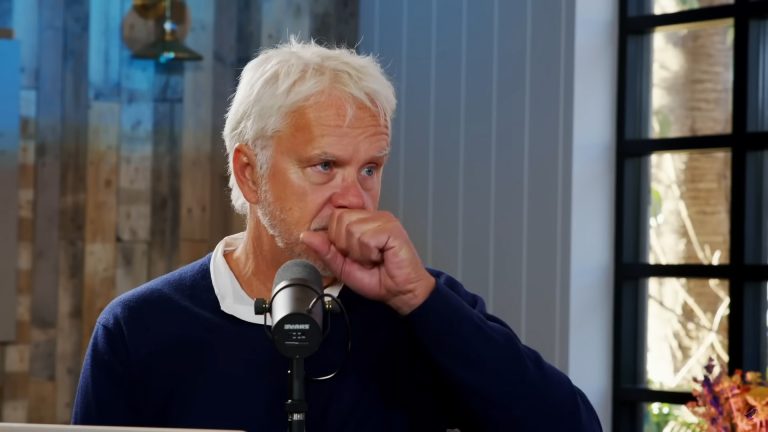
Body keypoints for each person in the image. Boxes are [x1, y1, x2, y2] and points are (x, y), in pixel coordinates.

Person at [72, 39, 602, 431]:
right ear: (250, 173)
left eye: (370, 169)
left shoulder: (422, 307)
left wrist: (420, 300)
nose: (354, 198)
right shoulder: (139, 329)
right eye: (325, 166)